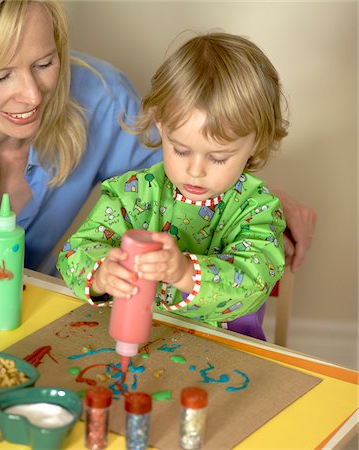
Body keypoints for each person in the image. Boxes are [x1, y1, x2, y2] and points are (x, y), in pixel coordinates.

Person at [0, 0, 315, 277]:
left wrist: (264, 193)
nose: (33, 96)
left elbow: (179, 174)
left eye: (45, 63)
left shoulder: (99, 97)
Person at [58, 32, 292, 339]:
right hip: (132, 337)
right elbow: (75, 251)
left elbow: (254, 282)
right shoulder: (132, 194)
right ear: (160, 124)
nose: (195, 171)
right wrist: (101, 273)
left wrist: (184, 272)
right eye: (181, 150)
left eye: (219, 158)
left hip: (226, 350)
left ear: (255, 143)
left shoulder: (257, 210)